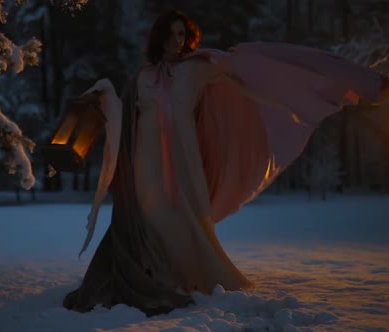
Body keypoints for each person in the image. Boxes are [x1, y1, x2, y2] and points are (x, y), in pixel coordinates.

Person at [63, 10, 388, 316]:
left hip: (185, 161)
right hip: (145, 161)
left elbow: (255, 74)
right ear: (159, 38)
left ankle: (182, 274)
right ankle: (152, 274)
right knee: (151, 215)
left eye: (182, 34)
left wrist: (338, 85)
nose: (177, 40)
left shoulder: (198, 68)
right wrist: (102, 98)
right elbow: (127, 119)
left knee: (187, 216)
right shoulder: (142, 78)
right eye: (171, 34)